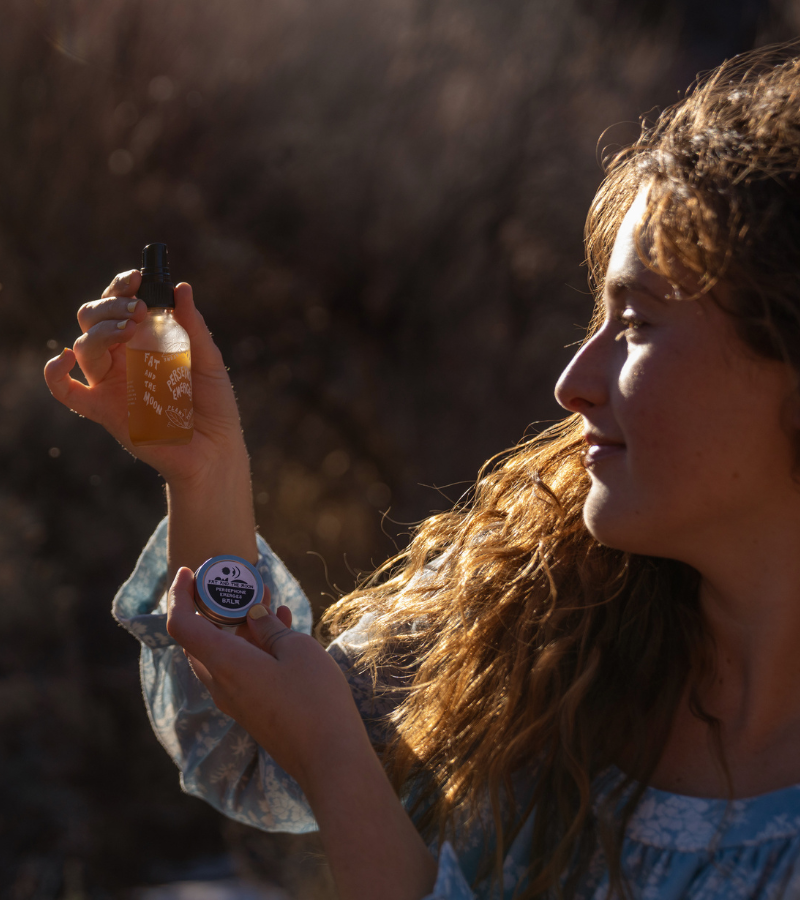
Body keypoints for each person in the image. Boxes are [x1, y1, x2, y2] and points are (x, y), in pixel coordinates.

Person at [44, 45, 800, 899]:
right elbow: (248, 745)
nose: (573, 382)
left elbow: (313, 742)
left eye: (637, 325)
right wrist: (205, 472)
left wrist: (335, 763)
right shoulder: (549, 612)